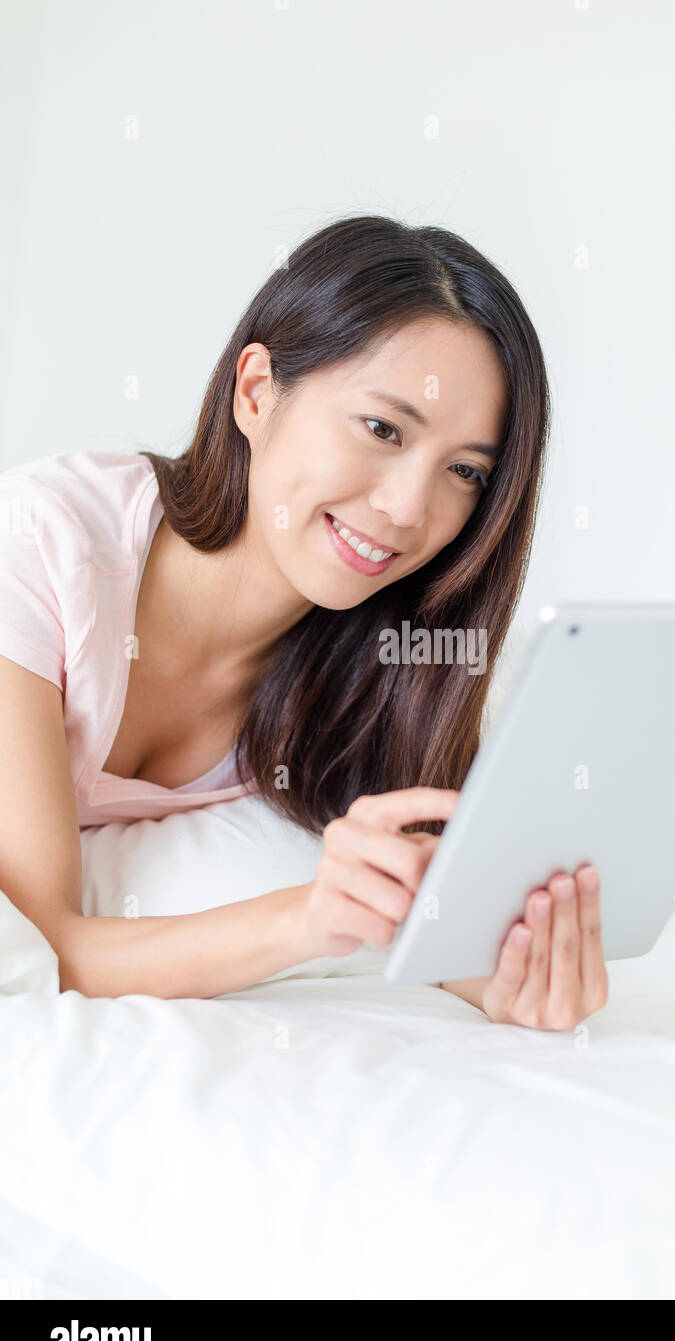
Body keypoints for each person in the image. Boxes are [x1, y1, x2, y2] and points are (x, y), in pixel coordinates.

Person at [0, 213, 607, 1029]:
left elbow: (414, 897)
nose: (407, 509)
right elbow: (45, 950)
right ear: (257, 392)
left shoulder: (386, 663)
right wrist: (302, 921)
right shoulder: (44, 544)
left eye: (464, 471)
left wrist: (500, 978)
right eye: (383, 428)